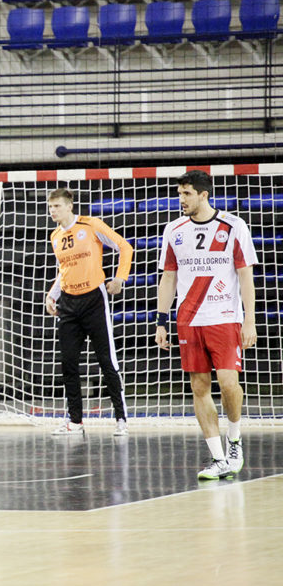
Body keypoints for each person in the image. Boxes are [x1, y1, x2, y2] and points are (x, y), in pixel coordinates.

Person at [155, 170, 257, 480]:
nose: (180, 199)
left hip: (224, 316)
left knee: (228, 383)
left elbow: (245, 276)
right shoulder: (173, 230)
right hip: (188, 320)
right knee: (199, 387)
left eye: (186, 194)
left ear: (203, 195)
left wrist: (248, 319)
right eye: (179, 193)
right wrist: (162, 321)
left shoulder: (233, 226)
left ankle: (234, 439)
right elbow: (169, 277)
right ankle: (218, 458)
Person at [44, 188, 133, 436]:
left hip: (94, 299)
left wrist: (119, 279)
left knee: (106, 360)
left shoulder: (91, 225)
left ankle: (121, 419)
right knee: (68, 363)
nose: (53, 211)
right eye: (50, 207)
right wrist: (52, 295)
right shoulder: (55, 237)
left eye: (58, 206)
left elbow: (125, 247)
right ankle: (75, 421)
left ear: (70, 206)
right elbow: (64, 271)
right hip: (68, 304)